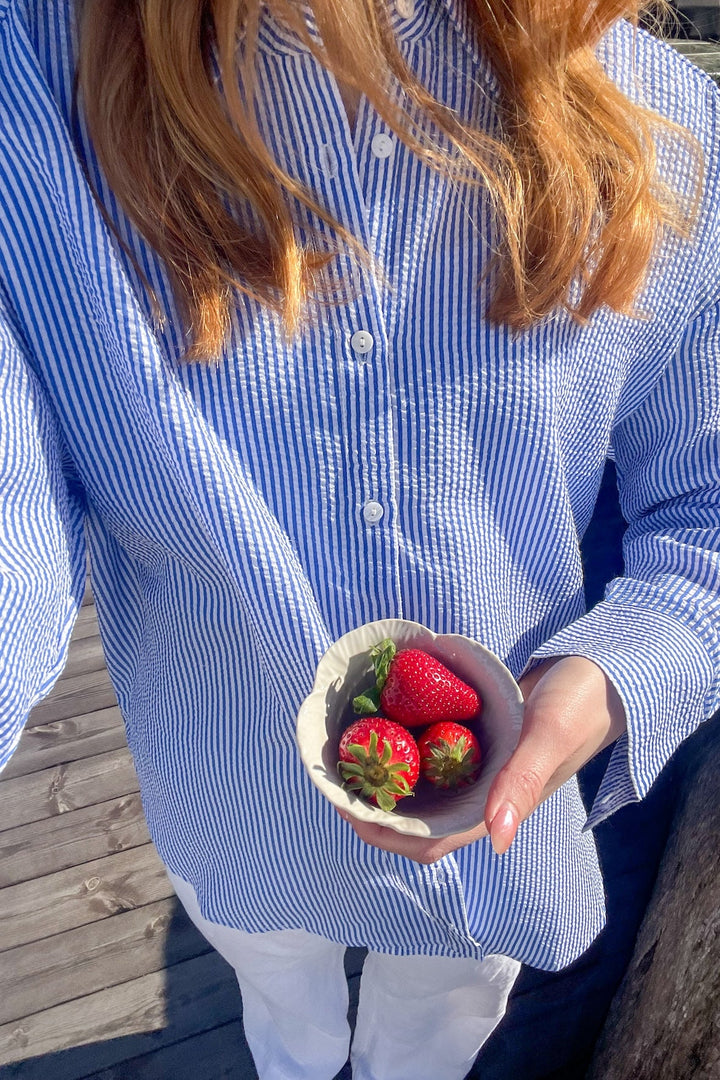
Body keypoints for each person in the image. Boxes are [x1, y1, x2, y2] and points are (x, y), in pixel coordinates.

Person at [0, 0, 718, 1077]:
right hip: (228, 780)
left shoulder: (660, 117)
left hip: (486, 811)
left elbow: (705, 515)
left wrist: (613, 677)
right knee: (280, 1007)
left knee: (434, 1030)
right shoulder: (33, 90)